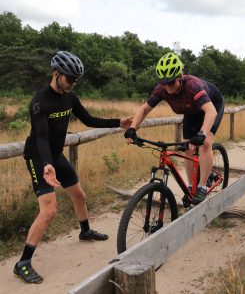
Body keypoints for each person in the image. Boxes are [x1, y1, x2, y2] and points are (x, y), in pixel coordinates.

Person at [14, 51, 132, 284]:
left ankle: (85, 231)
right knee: (49, 211)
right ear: (56, 74)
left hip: (55, 156)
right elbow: (41, 136)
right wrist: (47, 165)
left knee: (79, 195)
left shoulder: (69, 97)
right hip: (39, 157)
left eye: (76, 80)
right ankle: (23, 263)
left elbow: (88, 120)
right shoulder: (40, 102)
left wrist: (118, 123)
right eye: (69, 79)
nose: (72, 83)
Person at [124, 52, 224, 205]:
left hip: (212, 105)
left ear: (179, 77)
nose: (167, 86)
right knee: (187, 147)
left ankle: (202, 187)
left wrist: (202, 133)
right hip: (191, 111)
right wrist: (132, 128)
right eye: (164, 82)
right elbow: (144, 109)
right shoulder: (161, 89)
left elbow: (210, 112)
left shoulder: (191, 86)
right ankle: (191, 186)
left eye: (170, 82)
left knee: (205, 143)